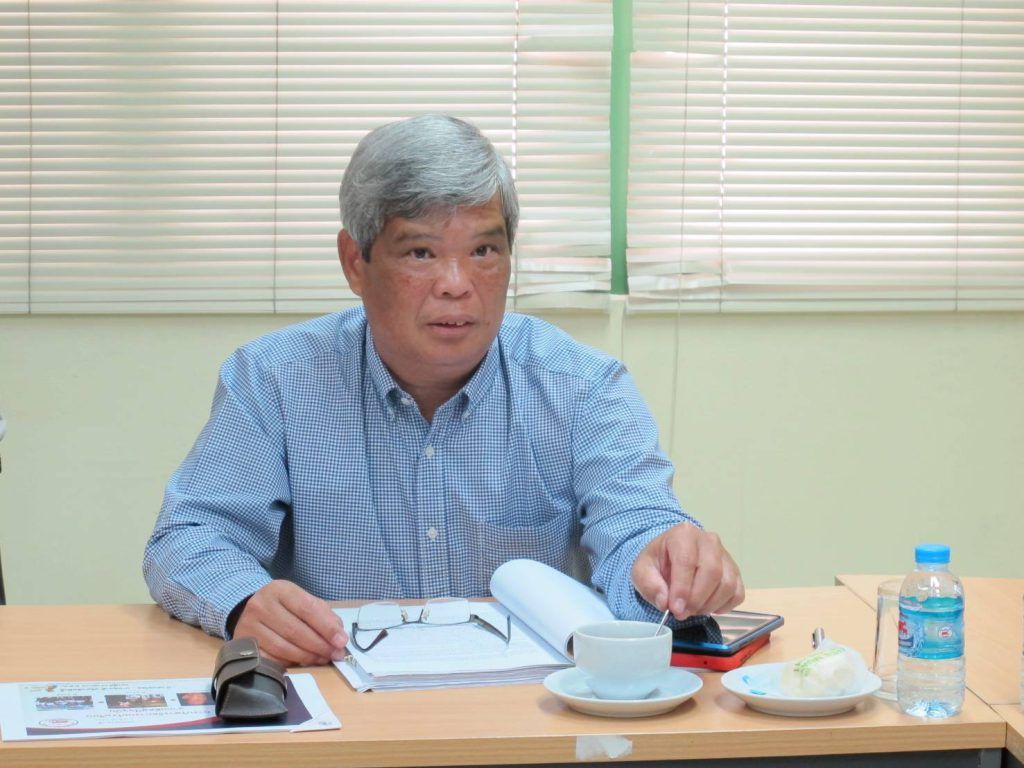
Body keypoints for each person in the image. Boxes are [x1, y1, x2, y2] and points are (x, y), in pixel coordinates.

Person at [144, 115, 744, 667]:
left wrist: (668, 562)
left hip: (529, 712)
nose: (457, 285)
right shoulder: (275, 379)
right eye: (421, 252)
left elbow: (637, 522)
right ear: (355, 262)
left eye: (483, 250)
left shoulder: (582, 386)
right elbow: (190, 536)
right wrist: (244, 601)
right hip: (342, 700)